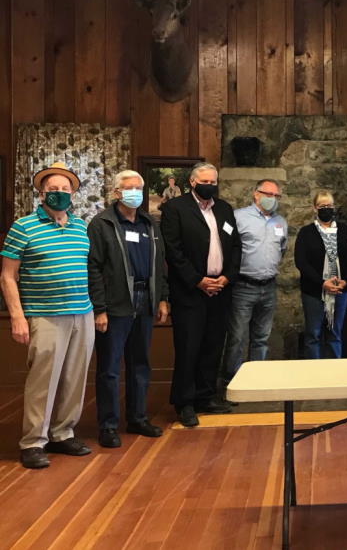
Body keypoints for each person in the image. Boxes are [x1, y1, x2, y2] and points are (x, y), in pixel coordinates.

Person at [0, 162, 94, 469]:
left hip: (83, 312)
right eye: (52, 189)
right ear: (41, 193)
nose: (59, 194)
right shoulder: (23, 227)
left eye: (65, 189)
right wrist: (17, 316)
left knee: (74, 378)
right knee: (43, 381)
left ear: (73, 194)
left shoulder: (81, 226)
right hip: (45, 315)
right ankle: (33, 442)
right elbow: (7, 276)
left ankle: (62, 433)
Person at [87, 169, 169, 448]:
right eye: (128, 188)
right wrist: (99, 308)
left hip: (145, 301)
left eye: (139, 188)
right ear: (116, 193)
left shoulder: (150, 224)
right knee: (109, 368)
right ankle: (108, 425)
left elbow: (160, 265)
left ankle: (138, 418)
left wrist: (162, 299)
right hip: (115, 304)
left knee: (140, 364)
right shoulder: (102, 224)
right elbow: (94, 268)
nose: (135, 193)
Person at [160, 162, 241, 428]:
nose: (210, 185)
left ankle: (206, 396)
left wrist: (227, 277)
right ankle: (184, 402)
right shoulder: (175, 209)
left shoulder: (225, 209)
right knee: (188, 347)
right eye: (205, 181)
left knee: (213, 345)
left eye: (214, 181)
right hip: (190, 291)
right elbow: (173, 250)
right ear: (193, 182)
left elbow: (236, 247)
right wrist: (198, 280)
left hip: (221, 289)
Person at [222, 179, 288, 381]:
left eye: (276, 196)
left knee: (261, 338)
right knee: (237, 337)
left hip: (268, 286)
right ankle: (231, 382)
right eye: (268, 194)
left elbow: (282, 249)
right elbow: (225, 246)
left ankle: (255, 381)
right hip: (243, 286)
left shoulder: (280, 222)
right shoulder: (237, 217)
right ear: (256, 194)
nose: (273, 199)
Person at [294, 190, 347, 359]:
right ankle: (314, 375)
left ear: (334, 207)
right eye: (322, 206)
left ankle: (334, 374)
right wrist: (322, 282)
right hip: (314, 291)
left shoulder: (345, 231)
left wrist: (345, 282)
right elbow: (301, 262)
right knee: (313, 334)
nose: (326, 209)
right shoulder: (306, 233)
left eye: (329, 205)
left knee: (335, 334)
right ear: (315, 208)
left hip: (340, 290)